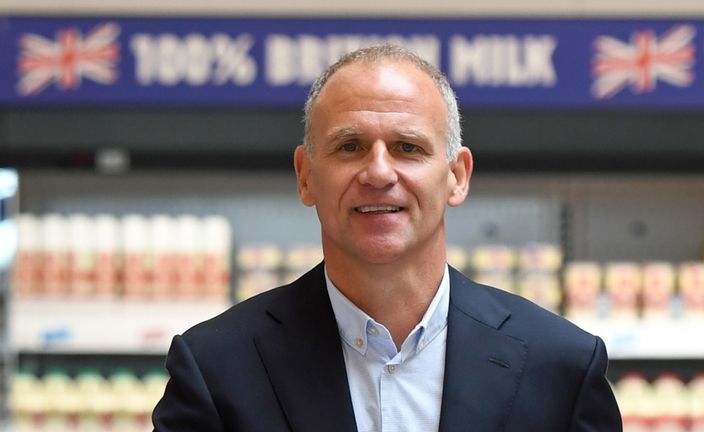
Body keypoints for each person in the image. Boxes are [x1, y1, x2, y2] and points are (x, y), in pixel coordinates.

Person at [152, 44, 623, 432]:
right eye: (350, 146)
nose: (378, 172)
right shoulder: (215, 368)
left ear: (456, 177)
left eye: (408, 147)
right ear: (306, 177)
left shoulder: (561, 368)